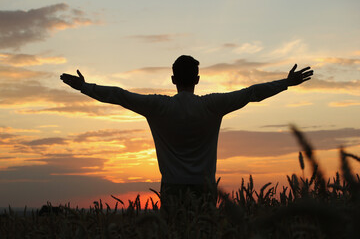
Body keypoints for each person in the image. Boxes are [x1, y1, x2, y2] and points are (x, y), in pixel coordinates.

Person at [60, 55, 313, 208]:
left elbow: (119, 95)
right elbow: (252, 93)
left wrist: (84, 86)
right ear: (198, 79)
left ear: (172, 79)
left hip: (171, 188)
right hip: (205, 189)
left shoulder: (158, 106)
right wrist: (286, 83)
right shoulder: (211, 106)